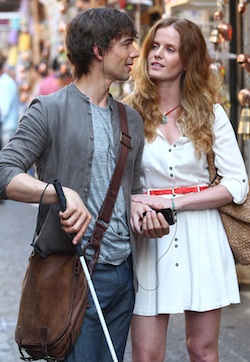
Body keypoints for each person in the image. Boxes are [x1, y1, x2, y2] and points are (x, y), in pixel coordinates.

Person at [0, 8, 170, 362]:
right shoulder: (48, 109)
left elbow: (131, 191)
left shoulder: (131, 120)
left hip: (124, 276)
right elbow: (5, 172)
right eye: (127, 44)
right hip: (72, 275)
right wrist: (57, 192)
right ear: (98, 50)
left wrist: (143, 214)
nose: (136, 53)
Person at [124, 17, 249, 362]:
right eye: (154, 47)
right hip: (149, 236)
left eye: (170, 49)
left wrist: (177, 202)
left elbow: (237, 183)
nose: (156, 55)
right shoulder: (128, 111)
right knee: (146, 354)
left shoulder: (210, 114)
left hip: (203, 237)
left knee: (202, 350)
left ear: (187, 61)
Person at [0, 54, 19, 149]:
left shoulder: (5, 83)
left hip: (8, 127)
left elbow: (4, 108)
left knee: (6, 161)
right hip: (6, 127)